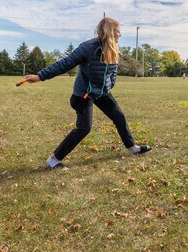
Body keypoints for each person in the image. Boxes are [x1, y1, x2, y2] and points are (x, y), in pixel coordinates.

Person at [22, 17, 151, 169]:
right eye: (118, 31)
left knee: (119, 116)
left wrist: (110, 84)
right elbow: (65, 63)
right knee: (84, 128)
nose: (120, 34)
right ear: (110, 32)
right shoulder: (88, 47)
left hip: (102, 92)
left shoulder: (114, 48)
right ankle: (53, 160)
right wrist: (40, 76)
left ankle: (131, 148)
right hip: (84, 94)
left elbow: (114, 71)